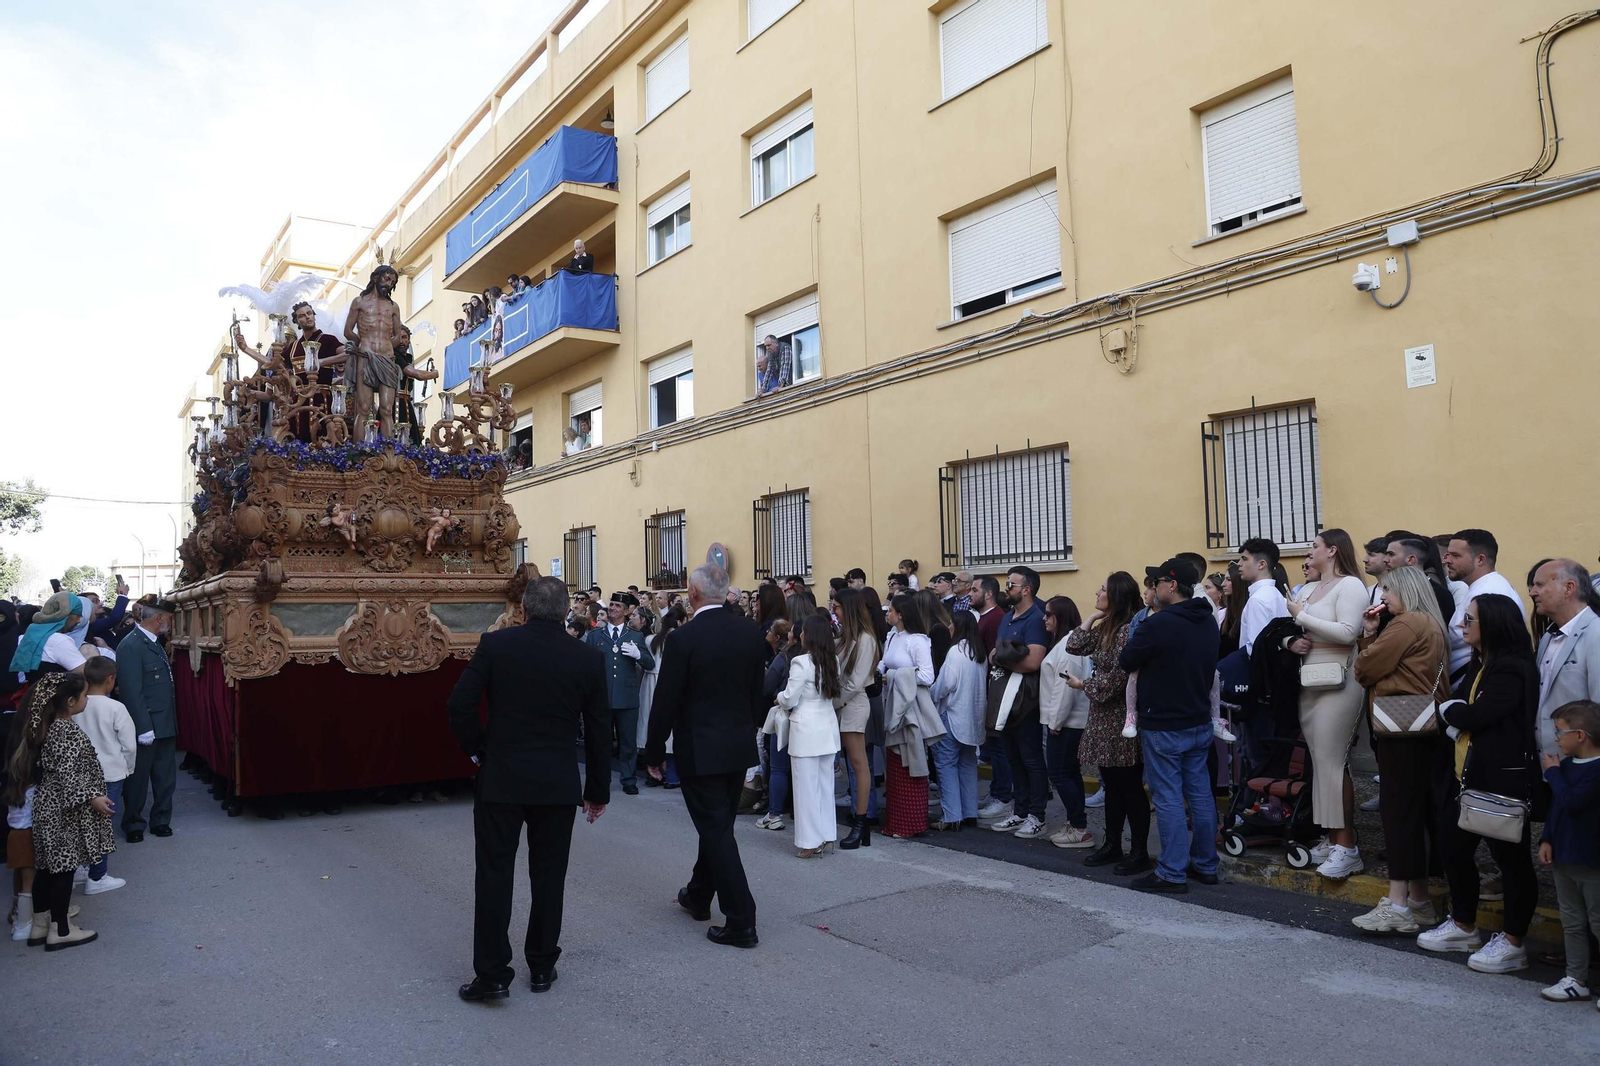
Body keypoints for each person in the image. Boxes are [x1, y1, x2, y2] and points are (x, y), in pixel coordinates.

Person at [447, 577, 610, 1001]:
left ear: (522, 609)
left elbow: (459, 704)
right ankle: (541, 966)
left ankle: (493, 975)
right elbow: (598, 730)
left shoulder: (496, 646)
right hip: (557, 783)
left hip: (502, 778)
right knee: (549, 877)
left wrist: (478, 749)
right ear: (565, 613)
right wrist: (598, 789)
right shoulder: (585, 658)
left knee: (495, 876)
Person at [644, 564, 767, 949]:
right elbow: (756, 692)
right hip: (737, 745)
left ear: (694, 595)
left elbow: (666, 700)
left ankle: (741, 918)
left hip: (699, 747)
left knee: (715, 829)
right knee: (718, 826)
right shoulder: (749, 633)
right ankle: (698, 894)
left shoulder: (684, 638)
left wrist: (653, 749)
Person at [1417, 593, 1540, 973]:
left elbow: (1475, 713)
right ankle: (1463, 925)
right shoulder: (1482, 662)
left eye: (1469, 620)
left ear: (1494, 625)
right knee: (1454, 850)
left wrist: (1453, 713)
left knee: (1512, 861)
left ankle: (1514, 941)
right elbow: (1461, 711)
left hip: (1499, 779)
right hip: (1464, 776)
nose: (1461, 626)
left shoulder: (1511, 667)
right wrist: (1457, 713)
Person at [1351, 565, 1451, 934]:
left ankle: (1397, 905)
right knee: (1418, 812)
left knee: (1399, 814)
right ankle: (1419, 901)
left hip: (1401, 729)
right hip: (1425, 727)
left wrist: (1369, 637)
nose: (1383, 598)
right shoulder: (1430, 622)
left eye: (1387, 590)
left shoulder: (1407, 623)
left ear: (1404, 591)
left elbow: (1365, 669)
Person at [1117, 558, 1221, 893]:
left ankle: (1171, 872)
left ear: (1171, 586)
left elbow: (1126, 660)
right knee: (1200, 795)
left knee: (1169, 798)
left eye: (1157, 582)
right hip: (1198, 720)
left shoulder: (1158, 624)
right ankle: (1206, 865)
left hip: (1163, 723)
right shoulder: (1207, 621)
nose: (1153, 588)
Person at [1282, 529, 1370, 879]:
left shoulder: (1350, 586)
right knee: (1321, 763)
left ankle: (1347, 846)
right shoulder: (1308, 588)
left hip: (1340, 681)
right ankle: (1332, 839)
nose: (1309, 551)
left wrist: (1301, 617)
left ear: (1332, 550)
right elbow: (1294, 631)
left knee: (1333, 763)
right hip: (1310, 680)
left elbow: (1349, 633)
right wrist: (1291, 639)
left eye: (1315, 546)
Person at [6, 673, 111, 950]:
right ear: (71, 701)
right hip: (63, 810)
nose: (87, 700)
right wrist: (93, 798)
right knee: (63, 868)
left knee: (47, 868)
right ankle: (62, 930)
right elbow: (69, 775)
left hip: (49, 805)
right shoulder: (65, 730)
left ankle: (40, 924)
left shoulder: (50, 726)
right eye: (85, 696)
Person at [1066, 573, 1147, 871]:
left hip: (1120, 716)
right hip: (1102, 716)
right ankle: (1112, 844)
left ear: (1116, 595)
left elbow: (1120, 676)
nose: (1097, 592)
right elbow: (1074, 645)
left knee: (1130, 786)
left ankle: (1138, 851)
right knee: (1112, 785)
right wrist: (1092, 616)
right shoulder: (1107, 626)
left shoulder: (1128, 630)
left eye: (1103, 590)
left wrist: (1083, 686)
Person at [1537, 699, 1600, 1005]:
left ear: (1581, 735)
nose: (1556, 738)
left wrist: (1551, 775)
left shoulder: (1594, 770)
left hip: (1590, 860)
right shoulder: (1565, 766)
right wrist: (1546, 839)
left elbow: (1573, 802)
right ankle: (1576, 978)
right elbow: (1557, 809)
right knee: (1572, 921)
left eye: (1560, 732)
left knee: (1598, 921)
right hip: (1563, 856)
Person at [985, 568, 1051, 840]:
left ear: (1027, 589)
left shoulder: (1036, 619)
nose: (1007, 587)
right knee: (1012, 755)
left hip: (1026, 699)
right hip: (1005, 697)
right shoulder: (1009, 617)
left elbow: (1033, 662)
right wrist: (1002, 657)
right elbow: (995, 652)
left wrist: (1001, 658)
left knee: (1031, 758)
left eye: (1011, 584)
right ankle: (1020, 810)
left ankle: (1038, 816)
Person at [773, 617, 843, 858]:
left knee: (805, 788)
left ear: (809, 635)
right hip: (827, 727)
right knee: (824, 785)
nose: (800, 635)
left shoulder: (801, 662)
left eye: (802, 632)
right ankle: (825, 835)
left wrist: (779, 697)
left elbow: (790, 698)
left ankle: (810, 841)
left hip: (806, 728)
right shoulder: (832, 660)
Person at [114, 599, 175, 843]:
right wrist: (143, 726)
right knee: (137, 779)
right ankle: (133, 822)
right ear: (159, 618)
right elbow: (131, 690)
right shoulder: (131, 645)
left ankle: (161, 820)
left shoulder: (153, 643)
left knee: (164, 777)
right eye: (169, 618)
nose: (171, 623)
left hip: (165, 721)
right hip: (146, 724)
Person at [582, 592, 655, 796]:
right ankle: (601, 780)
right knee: (602, 743)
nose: (612, 608)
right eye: (611, 604)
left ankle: (628, 779)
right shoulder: (596, 636)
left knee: (628, 743)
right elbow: (587, 666)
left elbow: (650, 664)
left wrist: (639, 654)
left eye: (617, 606)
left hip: (627, 697)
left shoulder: (635, 636)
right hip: (602, 698)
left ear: (625, 611)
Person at [1530, 559, 1600, 759]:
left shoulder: (1596, 633)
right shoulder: (1547, 638)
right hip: (1548, 765)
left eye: (1540, 585)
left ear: (1569, 588)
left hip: (1581, 768)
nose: (1532, 592)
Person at [879, 593, 935, 838]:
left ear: (900, 614)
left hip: (910, 707)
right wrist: (878, 671)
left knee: (910, 760)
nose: (887, 614)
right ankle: (896, 822)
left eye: (890, 610)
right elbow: (884, 662)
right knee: (894, 763)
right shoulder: (893, 636)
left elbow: (927, 676)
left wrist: (893, 676)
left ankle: (911, 823)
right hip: (891, 703)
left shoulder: (918, 641)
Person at [76, 657, 133, 896]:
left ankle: (80, 867)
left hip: (79, 774)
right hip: (109, 773)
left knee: (79, 821)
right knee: (102, 825)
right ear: (110, 680)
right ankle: (97, 876)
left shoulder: (76, 705)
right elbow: (129, 744)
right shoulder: (116, 707)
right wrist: (128, 768)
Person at [1040, 596, 1093, 849]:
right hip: (1069, 721)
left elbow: (1065, 689)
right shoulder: (1067, 642)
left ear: (1059, 616)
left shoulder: (1067, 645)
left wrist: (1055, 723)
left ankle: (1079, 828)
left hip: (1067, 723)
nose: (1044, 619)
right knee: (1070, 774)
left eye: (1048, 614)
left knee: (1060, 774)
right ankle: (1076, 823)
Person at [1442, 529, 1527, 683]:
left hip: (1478, 688)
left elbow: (1496, 647)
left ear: (1480, 560)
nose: (1447, 560)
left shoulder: (1491, 592)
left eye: (1456, 556)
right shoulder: (1481, 587)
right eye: (1448, 554)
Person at [832, 588, 882, 848]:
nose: (834, 611)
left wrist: (832, 702)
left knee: (858, 765)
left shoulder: (865, 639)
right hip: (843, 703)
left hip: (853, 704)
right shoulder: (846, 637)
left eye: (837, 607)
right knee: (854, 765)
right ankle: (860, 822)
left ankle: (861, 822)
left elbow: (854, 683)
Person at [930, 610, 985, 832]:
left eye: (951, 624)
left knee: (946, 764)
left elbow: (945, 685)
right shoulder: (977, 653)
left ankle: (952, 815)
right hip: (972, 718)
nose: (949, 627)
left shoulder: (955, 651)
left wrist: (932, 694)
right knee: (967, 765)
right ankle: (970, 812)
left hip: (952, 715)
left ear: (959, 626)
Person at [342, 265, 406, 437]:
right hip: (365, 357)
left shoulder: (393, 307)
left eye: (392, 282)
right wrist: (362, 344)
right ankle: (359, 452)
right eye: (386, 279)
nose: (389, 284)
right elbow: (348, 331)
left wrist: (385, 347)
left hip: (386, 358)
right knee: (363, 408)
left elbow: (398, 336)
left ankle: (389, 451)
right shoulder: (359, 302)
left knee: (386, 409)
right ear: (376, 278)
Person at [640, 605, 684, 789]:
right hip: (670, 682)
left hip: (650, 683)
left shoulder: (652, 639)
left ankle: (653, 772)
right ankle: (672, 776)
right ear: (681, 621)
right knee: (671, 733)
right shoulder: (681, 638)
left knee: (651, 726)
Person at [756, 621, 793, 832]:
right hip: (810, 719)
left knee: (778, 766)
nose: (767, 633)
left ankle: (774, 813)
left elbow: (767, 686)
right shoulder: (819, 657)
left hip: (784, 714)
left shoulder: (783, 658)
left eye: (770, 631)